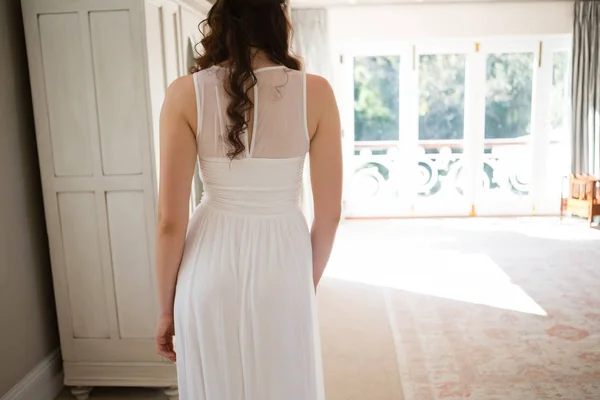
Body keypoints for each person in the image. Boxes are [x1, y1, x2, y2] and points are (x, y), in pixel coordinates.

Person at [153, 0, 342, 398]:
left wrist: (166, 309)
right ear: (278, 20)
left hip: (208, 264)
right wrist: (301, 285)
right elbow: (329, 217)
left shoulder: (184, 93)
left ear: (220, 21)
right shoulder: (318, 92)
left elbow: (170, 222)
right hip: (284, 261)